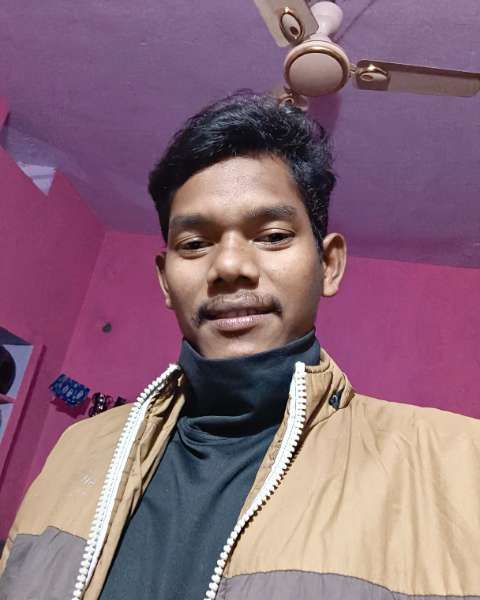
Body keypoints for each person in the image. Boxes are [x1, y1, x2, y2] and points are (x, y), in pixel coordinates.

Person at [1, 91, 479, 600]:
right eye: (194, 244)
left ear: (329, 265)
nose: (229, 266)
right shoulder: (77, 449)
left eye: (272, 236)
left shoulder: (459, 462)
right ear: (165, 281)